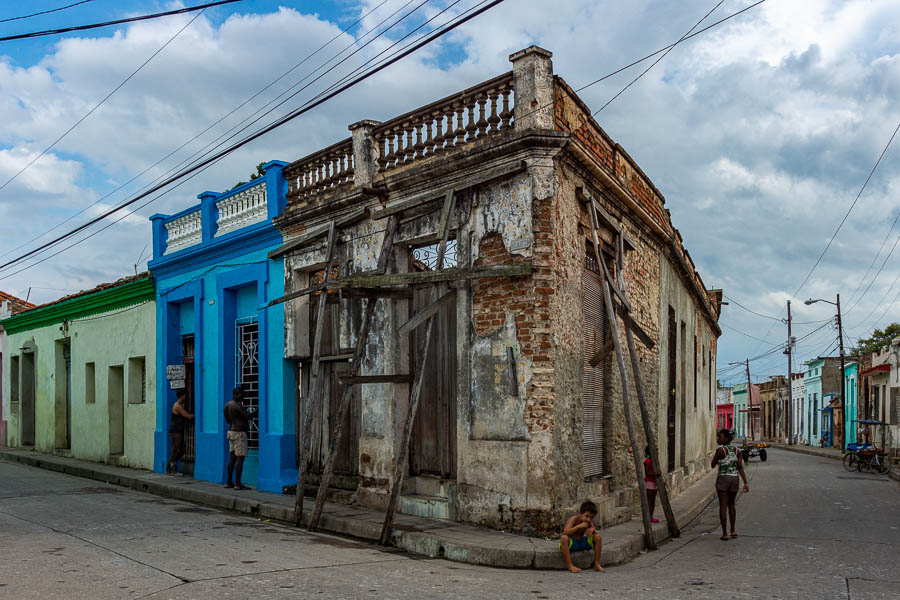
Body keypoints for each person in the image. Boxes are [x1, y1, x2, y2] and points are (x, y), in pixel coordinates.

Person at [711, 428, 749, 541]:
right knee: (731, 505)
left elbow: (712, 465)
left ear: (726, 438)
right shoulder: (738, 451)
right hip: (735, 479)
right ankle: (733, 530)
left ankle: (724, 533)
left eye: (720, 437)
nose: (718, 439)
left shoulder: (720, 450)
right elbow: (740, 467)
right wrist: (745, 482)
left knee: (723, 506)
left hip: (723, 479)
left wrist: (718, 460)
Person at [559, 500, 604, 573]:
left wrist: (592, 530)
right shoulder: (574, 520)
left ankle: (597, 564)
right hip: (572, 543)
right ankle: (570, 566)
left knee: (598, 537)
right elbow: (565, 532)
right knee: (564, 538)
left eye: (591, 517)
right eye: (586, 516)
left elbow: (596, 534)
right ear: (580, 513)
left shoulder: (589, 522)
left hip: (582, 542)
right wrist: (578, 527)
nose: (588, 519)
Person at [223, 387, 252, 490]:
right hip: (239, 434)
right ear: (238, 394)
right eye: (243, 396)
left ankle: (229, 482)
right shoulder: (237, 406)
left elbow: (228, 420)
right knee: (240, 459)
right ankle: (238, 483)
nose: (243, 398)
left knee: (232, 459)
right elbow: (248, 416)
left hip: (231, 432)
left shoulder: (227, 405)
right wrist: (258, 409)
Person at [167, 390, 193, 474]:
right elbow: (187, 416)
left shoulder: (180, 405)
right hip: (176, 431)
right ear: (181, 396)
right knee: (176, 449)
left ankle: (171, 465)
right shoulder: (178, 406)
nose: (186, 397)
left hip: (178, 430)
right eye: (185, 396)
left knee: (181, 449)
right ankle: (171, 468)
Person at [643, 446, 660, 524]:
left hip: (654, 483)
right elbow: (647, 473)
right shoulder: (648, 461)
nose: (657, 452)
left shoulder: (654, 461)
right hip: (649, 482)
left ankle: (651, 517)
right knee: (649, 502)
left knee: (652, 502)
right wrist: (656, 474)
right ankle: (648, 517)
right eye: (656, 451)